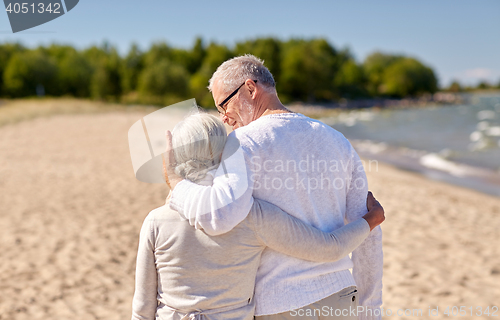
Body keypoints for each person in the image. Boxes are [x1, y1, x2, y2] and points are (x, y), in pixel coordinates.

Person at [164, 55, 384, 320]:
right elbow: (368, 231)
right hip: (342, 296)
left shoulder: (242, 142)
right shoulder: (338, 140)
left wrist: (176, 184)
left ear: (250, 89)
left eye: (224, 105)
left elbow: (219, 215)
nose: (224, 118)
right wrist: (370, 310)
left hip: (284, 303)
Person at [132, 113, 385, 320]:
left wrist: (174, 179)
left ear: (173, 158)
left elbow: (143, 309)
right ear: (225, 154)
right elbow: (329, 248)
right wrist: (370, 220)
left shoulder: (155, 222)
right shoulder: (250, 215)